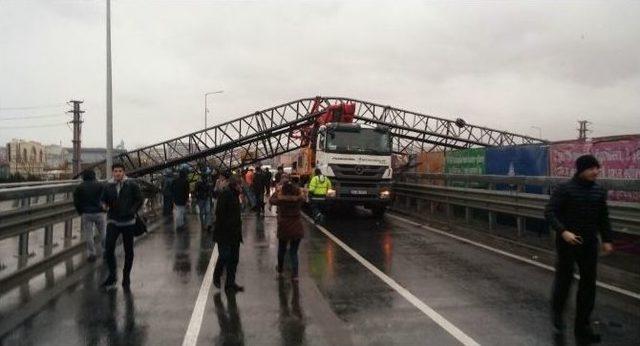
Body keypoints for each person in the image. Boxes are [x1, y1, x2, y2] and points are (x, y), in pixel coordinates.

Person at [545, 154, 614, 344]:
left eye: (597, 168)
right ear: (582, 169)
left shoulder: (599, 191)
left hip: (589, 244)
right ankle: (558, 318)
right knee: (564, 282)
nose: (596, 171)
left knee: (588, 286)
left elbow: (603, 218)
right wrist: (563, 231)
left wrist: (607, 239)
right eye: (592, 168)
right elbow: (550, 212)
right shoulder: (565, 189)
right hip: (568, 243)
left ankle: (582, 326)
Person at [101, 163, 144, 290]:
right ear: (112, 173)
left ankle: (126, 276)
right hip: (113, 221)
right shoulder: (108, 186)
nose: (118, 173)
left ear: (124, 172)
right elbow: (103, 199)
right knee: (108, 248)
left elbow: (139, 199)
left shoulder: (131, 185)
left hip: (128, 222)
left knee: (128, 250)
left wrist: (132, 210)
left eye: (120, 171)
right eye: (115, 171)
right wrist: (104, 205)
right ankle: (112, 275)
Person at [213, 174, 244, 293]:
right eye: (240, 184)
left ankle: (230, 284)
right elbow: (219, 213)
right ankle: (217, 274)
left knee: (234, 259)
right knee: (225, 256)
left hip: (235, 233)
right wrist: (229, 224)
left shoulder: (235, 195)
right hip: (224, 233)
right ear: (235, 185)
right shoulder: (225, 194)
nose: (242, 187)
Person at [269, 181, 306, 280]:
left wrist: (277, 192)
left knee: (282, 249)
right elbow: (304, 197)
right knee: (294, 252)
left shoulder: (281, 200)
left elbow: (271, 200)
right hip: (297, 226)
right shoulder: (298, 200)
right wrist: (299, 191)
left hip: (284, 226)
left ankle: (280, 268)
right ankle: (295, 274)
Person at [73, 169, 106, 262]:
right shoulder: (100, 185)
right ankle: (106, 251)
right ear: (94, 176)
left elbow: (76, 202)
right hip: (99, 212)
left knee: (89, 234)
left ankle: (91, 254)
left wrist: (81, 211)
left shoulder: (80, 187)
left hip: (86, 213)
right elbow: (105, 197)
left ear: (84, 177)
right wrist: (104, 209)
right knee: (103, 233)